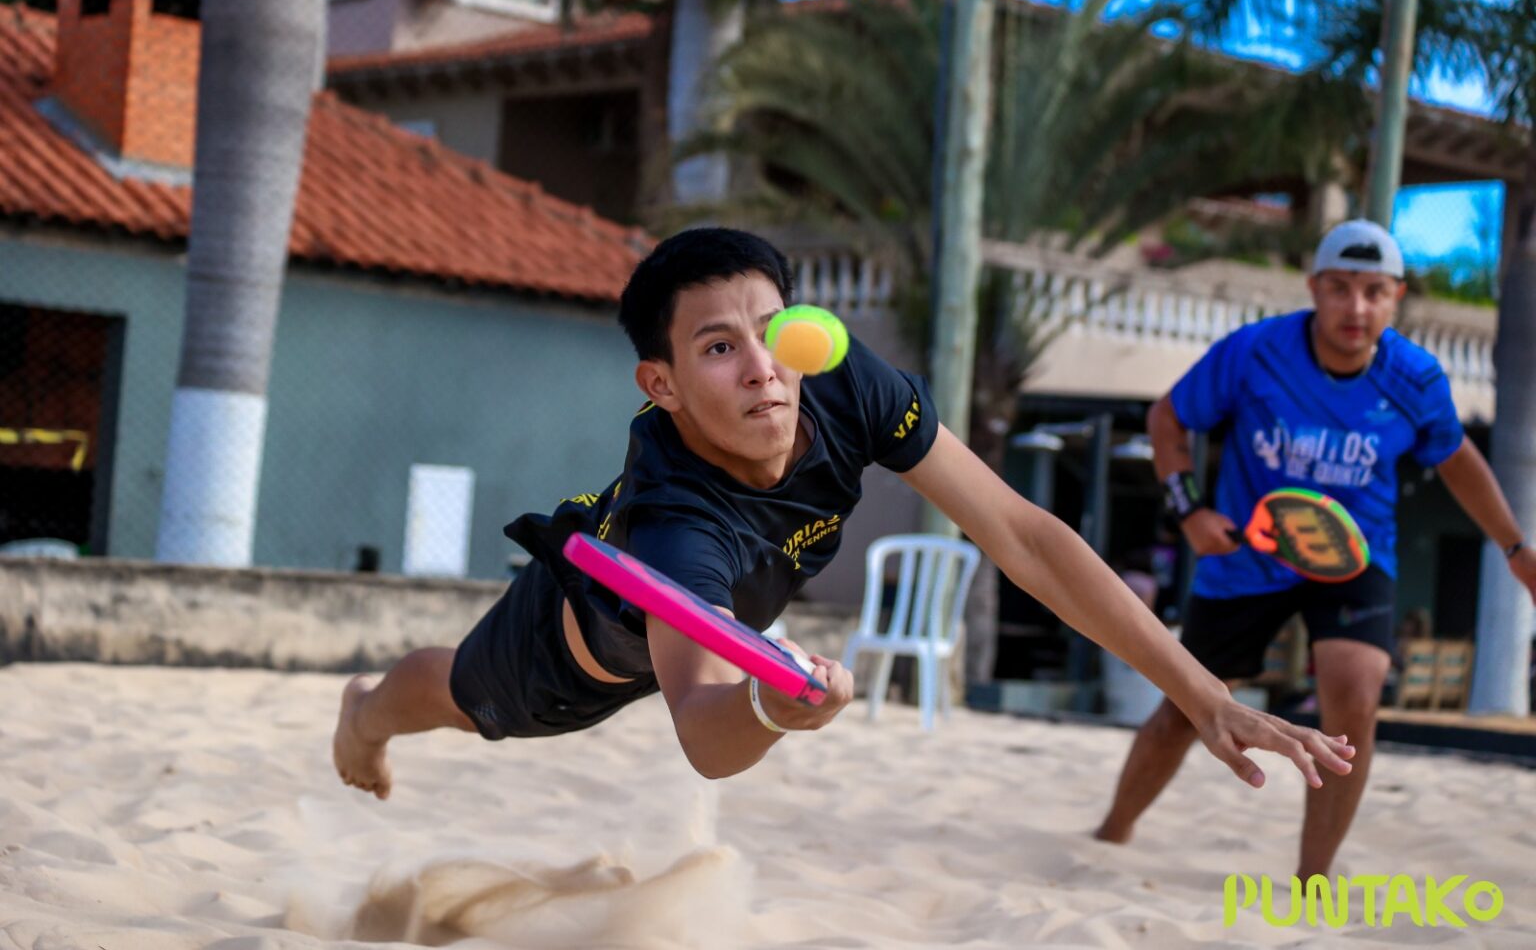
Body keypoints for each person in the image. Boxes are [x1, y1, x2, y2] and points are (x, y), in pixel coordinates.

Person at [333, 227, 1354, 800]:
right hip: (589, 642)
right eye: (718, 347)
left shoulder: (844, 383)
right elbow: (702, 733)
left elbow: (1026, 536)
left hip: (735, 608)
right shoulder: (675, 525)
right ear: (664, 382)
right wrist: (776, 710)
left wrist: (1201, 689)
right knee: (466, 697)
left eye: (771, 329)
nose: (762, 366)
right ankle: (363, 718)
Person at [1093, 219, 1536, 878]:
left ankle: (1313, 879)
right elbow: (1167, 418)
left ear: (1396, 296)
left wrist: (1516, 548)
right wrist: (1189, 512)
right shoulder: (1254, 353)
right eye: (1340, 288)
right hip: (1249, 556)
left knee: (1355, 697)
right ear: (1314, 289)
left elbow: (1458, 459)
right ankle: (1109, 834)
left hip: (1355, 559)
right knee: (1182, 711)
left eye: (1373, 291)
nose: (1356, 307)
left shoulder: (1414, 378)